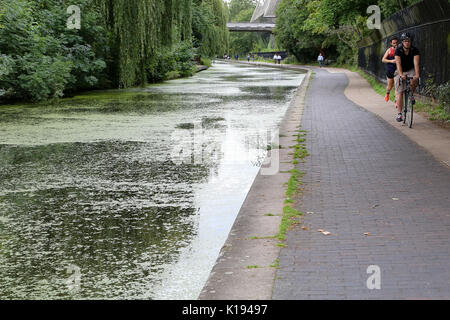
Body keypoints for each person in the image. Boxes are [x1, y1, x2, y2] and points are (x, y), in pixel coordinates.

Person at [394, 32, 420, 122]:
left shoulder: (414, 50)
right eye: (405, 41)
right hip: (400, 70)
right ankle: (399, 114)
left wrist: (417, 75)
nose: (407, 43)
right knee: (400, 91)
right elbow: (398, 63)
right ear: (402, 42)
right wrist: (401, 74)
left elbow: (416, 63)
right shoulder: (398, 50)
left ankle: (411, 95)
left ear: (411, 41)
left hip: (410, 69)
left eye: (408, 41)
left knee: (414, 80)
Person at [382, 36, 398, 103]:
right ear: (391, 43)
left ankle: (396, 100)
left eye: (396, 43)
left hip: (397, 71)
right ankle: (387, 93)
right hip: (390, 70)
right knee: (390, 86)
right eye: (394, 43)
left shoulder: (400, 49)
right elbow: (383, 60)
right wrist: (391, 61)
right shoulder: (389, 50)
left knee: (397, 86)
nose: (395, 44)